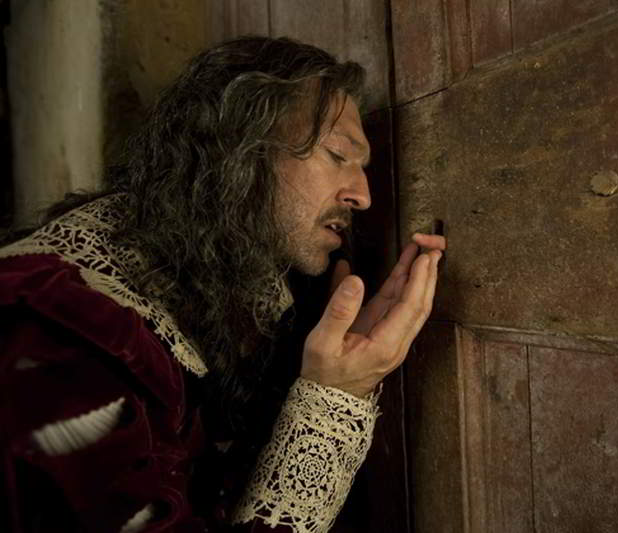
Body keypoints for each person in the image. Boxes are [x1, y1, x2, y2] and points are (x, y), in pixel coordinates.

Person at [0, 36, 445, 532]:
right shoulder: (57, 336)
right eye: (338, 154)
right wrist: (334, 397)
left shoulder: (196, 275)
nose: (364, 196)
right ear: (236, 153)